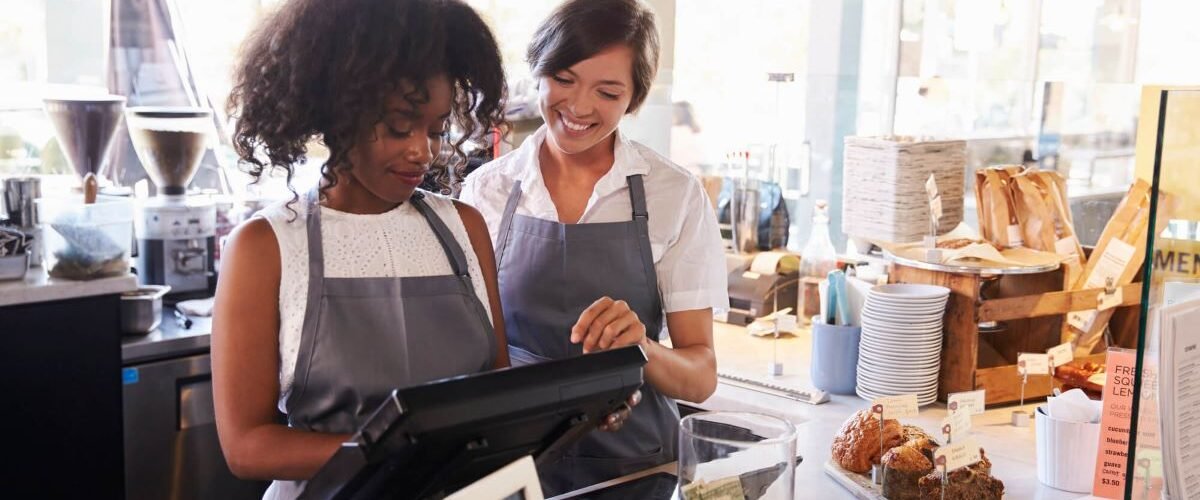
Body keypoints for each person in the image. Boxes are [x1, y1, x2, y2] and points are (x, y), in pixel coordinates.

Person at [210, 1, 510, 498]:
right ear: (339, 113)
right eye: (399, 127)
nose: (423, 151)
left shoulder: (465, 228)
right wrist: (396, 452)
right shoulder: (265, 247)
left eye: (436, 130)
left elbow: (496, 391)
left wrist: (577, 405)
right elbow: (246, 446)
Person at [460, 0, 729, 494]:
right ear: (538, 73)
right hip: (513, 466)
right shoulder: (486, 191)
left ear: (633, 99)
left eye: (607, 91)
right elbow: (469, 356)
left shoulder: (674, 195)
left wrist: (641, 349)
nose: (579, 107)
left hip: (634, 468)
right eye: (563, 79)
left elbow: (700, 376)